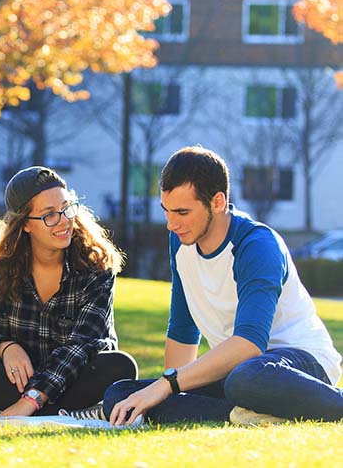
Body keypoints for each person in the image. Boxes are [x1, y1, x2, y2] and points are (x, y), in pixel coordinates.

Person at [103, 145, 343, 427]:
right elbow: (183, 328)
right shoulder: (181, 239)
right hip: (236, 372)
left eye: (182, 212)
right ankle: (244, 416)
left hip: (295, 366)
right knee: (120, 395)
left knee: (245, 377)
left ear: (217, 202)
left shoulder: (256, 245)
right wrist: (162, 390)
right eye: (166, 211)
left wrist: (166, 385)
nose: (171, 224)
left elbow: (250, 344)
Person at [0, 166, 138, 419]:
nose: (64, 221)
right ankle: (70, 415)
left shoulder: (96, 268)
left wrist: (32, 400)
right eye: (49, 215)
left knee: (121, 366)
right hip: (20, 382)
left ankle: (15, 413)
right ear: (24, 225)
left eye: (67, 208)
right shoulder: (1, 272)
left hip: (75, 376)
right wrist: (6, 346)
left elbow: (81, 346)